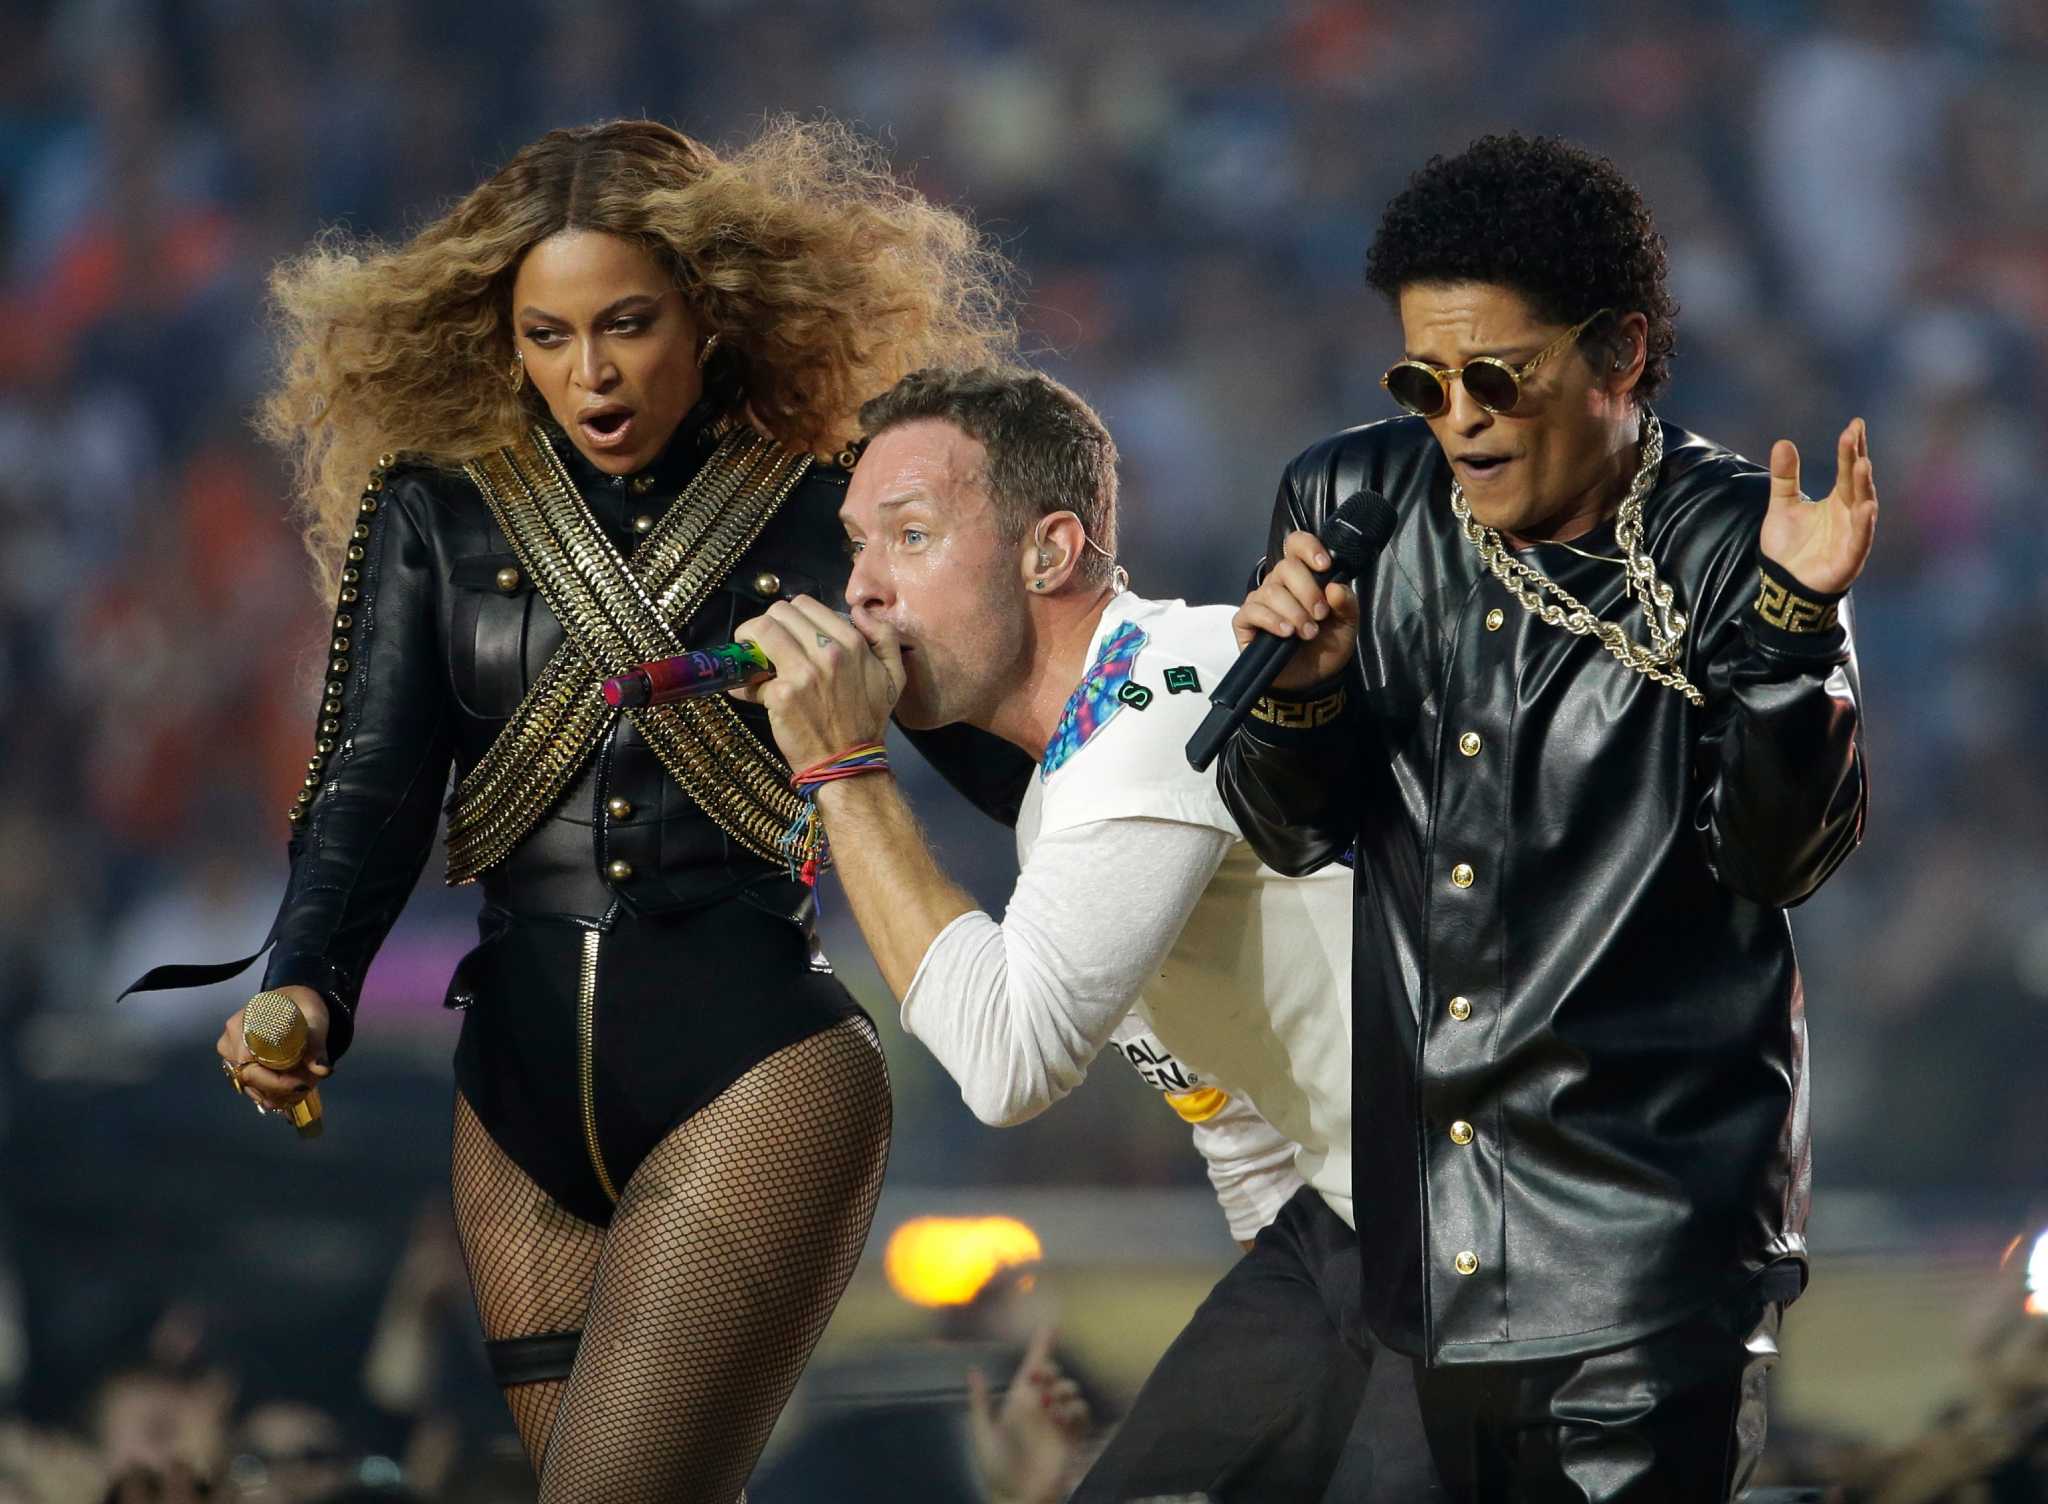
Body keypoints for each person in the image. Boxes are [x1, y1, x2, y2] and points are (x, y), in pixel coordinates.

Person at [122, 118, 1018, 1502]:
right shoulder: (432, 509)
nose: (587, 373)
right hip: (514, 1100)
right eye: (547, 335)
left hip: (755, 1068)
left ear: (711, 314)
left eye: (628, 325)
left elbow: (1006, 759)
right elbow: (367, 782)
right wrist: (304, 985)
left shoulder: (832, 507)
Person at [1219, 132, 1876, 1499]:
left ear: (1619, 355)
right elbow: (1294, 837)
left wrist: (1790, 634)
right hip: (1425, 1255)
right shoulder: (1354, 504)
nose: (1455, 416)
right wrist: (1297, 698)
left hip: (1650, 1255)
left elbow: (1779, 856)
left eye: (1493, 376)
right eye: (1422, 379)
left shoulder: (1740, 543)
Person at [729, 367, 1441, 1501]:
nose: (860, 590)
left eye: (908, 537)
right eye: (856, 546)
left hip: (1474, 1217)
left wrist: (839, 767)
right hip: (1347, 1230)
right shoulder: (1067, 781)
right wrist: (1281, 1362)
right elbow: (1236, 1111)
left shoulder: (1163, 698)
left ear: (1049, 551)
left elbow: (1007, 1062)